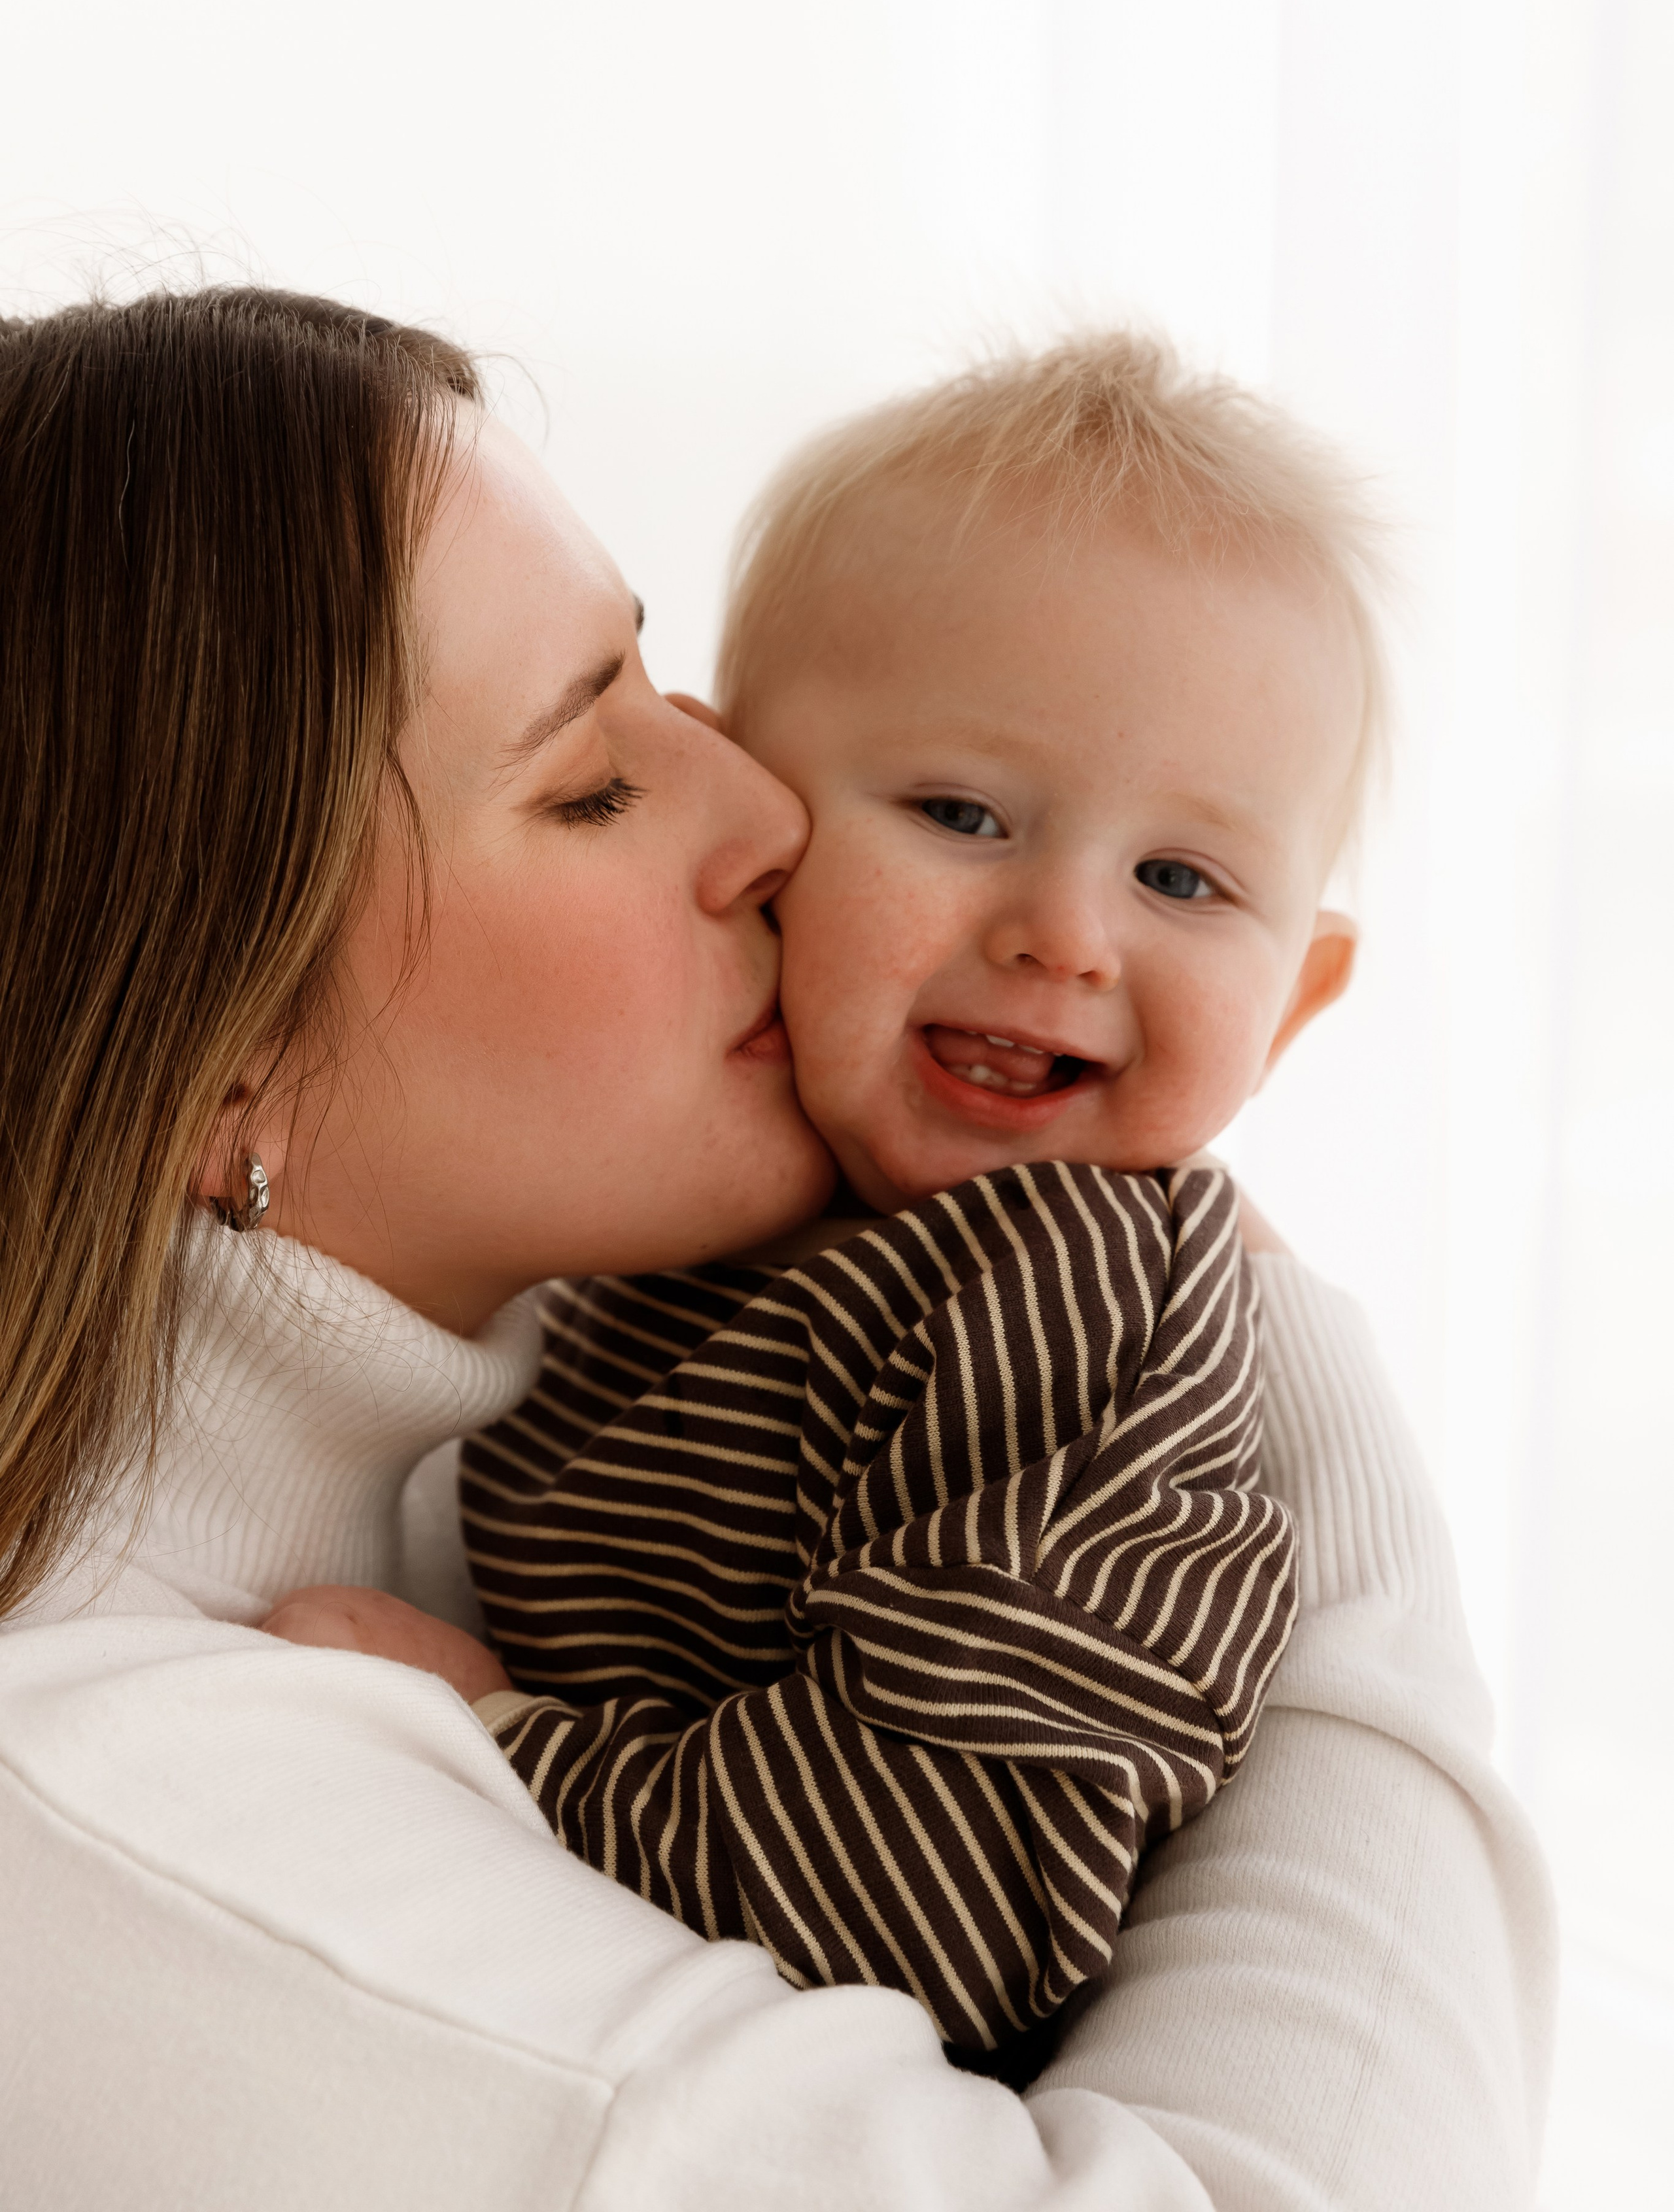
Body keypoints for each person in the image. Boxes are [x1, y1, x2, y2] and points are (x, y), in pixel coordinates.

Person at [0, 287, 1553, 2211]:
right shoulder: (127, 1826)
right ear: (214, 1058)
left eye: (671, 686)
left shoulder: (563, 1403)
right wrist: (1331, 1478)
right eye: (593, 781)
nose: (769, 812)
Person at [269, 335, 1382, 2068]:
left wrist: (494, 1738)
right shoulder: (699, 1231)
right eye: (960, 812)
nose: (1067, 934)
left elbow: (935, 1905)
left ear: (1294, 1005)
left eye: (1181, 878)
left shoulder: (1066, 1294)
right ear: (765, 816)